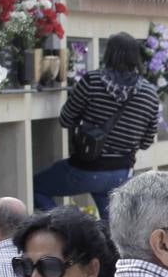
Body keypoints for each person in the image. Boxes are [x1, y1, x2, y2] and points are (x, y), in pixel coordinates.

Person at [33, 32, 161, 221]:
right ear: (136, 57)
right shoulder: (150, 93)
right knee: (113, 231)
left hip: (85, 168)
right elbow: (146, 142)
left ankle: (65, 229)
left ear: (108, 53)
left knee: (37, 187)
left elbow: (65, 119)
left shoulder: (92, 81)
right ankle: (103, 247)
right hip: (120, 174)